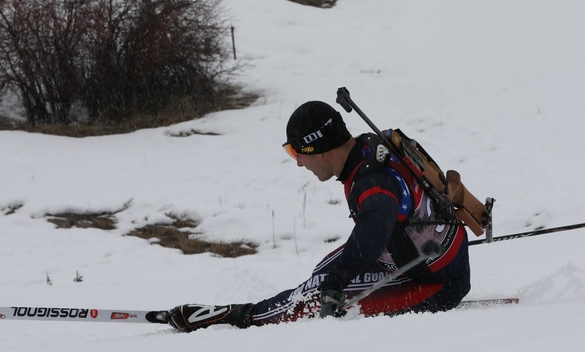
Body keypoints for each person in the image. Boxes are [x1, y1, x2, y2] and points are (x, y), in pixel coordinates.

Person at [165, 100, 471, 332]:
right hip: (429, 257)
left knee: (313, 296)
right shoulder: (366, 150)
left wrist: (335, 285)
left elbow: (373, 233)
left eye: (297, 153)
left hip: (435, 284)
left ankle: (240, 317)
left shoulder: (372, 182)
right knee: (323, 272)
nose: (299, 163)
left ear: (319, 148)